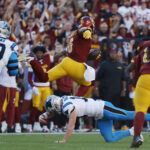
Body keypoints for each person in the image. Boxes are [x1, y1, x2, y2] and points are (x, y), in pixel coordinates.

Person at [39, 95, 150, 143]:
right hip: (99, 115)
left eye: (52, 110)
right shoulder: (63, 101)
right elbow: (53, 112)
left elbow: (71, 125)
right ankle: (133, 131)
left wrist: (65, 140)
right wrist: (43, 116)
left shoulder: (67, 106)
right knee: (109, 138)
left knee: (129, 115)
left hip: (103, 108)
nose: (51, 113)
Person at [29, 16, 96, 87]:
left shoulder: (74, 34)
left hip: (66, 61)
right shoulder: (85, 32)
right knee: (88, 83)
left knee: (44, 78)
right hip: (75, 64)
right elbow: (85, 32)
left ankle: (32, 60)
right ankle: (77, 97)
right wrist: (87, 31)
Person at [129, 43, 150, 148]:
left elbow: (133, 67)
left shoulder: (142, 49)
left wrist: (133, 83)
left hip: (145, 78)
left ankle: (136, 136)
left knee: (140, 109)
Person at [0, 21, 19, 132]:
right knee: (10, 106)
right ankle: (10, 125)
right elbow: (15, 61)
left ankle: (7, 125)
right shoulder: (11, 44)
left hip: (3, 79)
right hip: (8, 80)